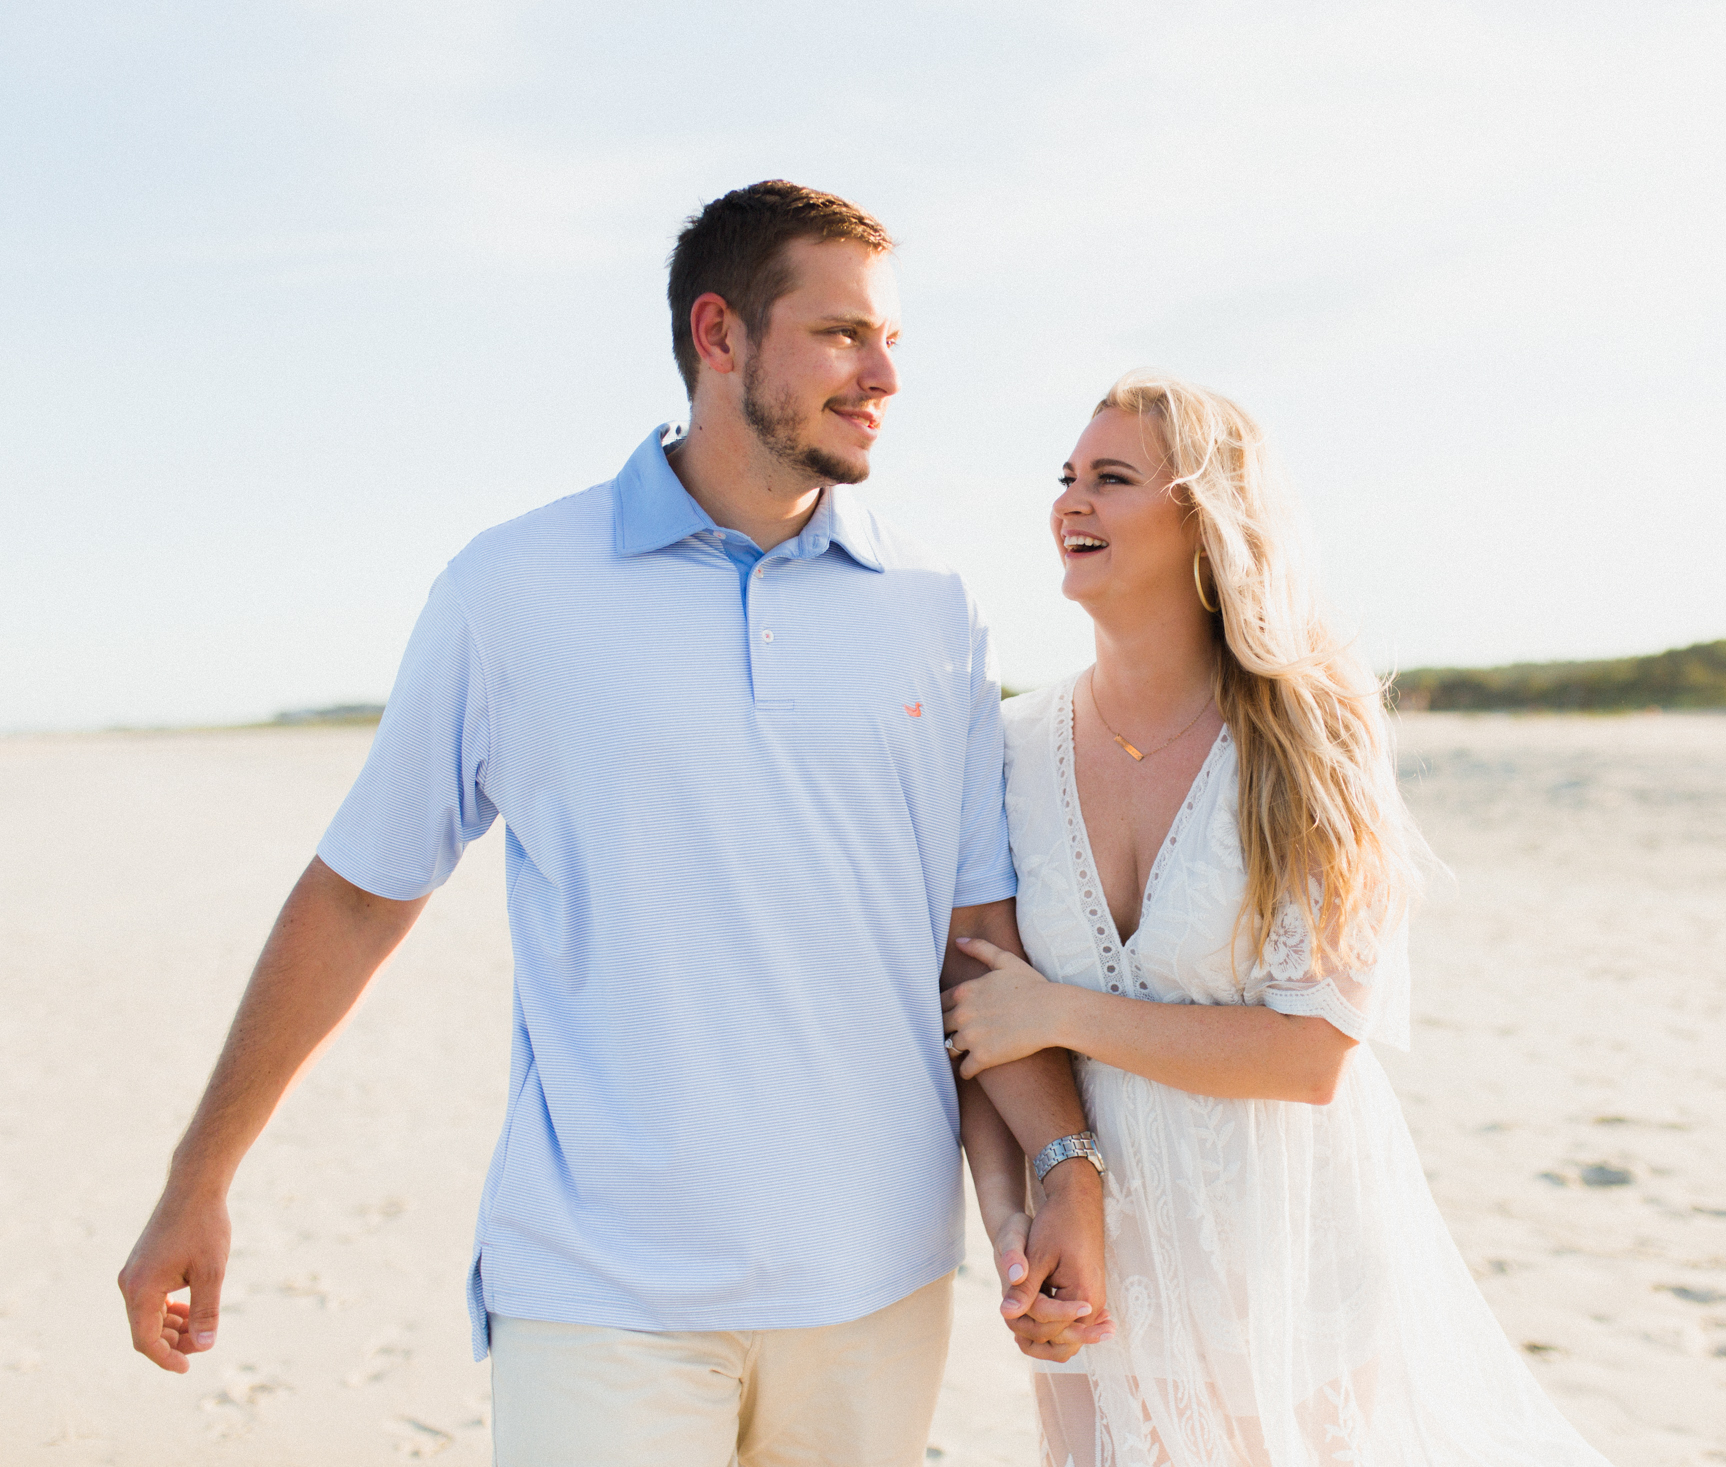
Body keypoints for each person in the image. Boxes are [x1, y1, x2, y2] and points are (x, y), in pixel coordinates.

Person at [117, 180, 1109, 1465]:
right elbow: (362, 892)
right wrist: (199, 1179)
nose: (882, 377)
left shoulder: (933, 605)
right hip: (599, 1289)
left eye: (893, 343)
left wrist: (1060, 1167)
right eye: (842, 335)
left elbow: (976, 943)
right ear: (720, 335)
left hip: (875, 1286)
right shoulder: (513, 590)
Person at [942, 372, 1617, 1464]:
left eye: (1111, 479)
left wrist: (1059, 1011)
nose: (1071, 502)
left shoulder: (1309, 734)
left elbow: (1310, 1053)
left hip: (1291, 1264)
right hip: (1102, 1273)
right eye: (1066, 478)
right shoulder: (1007, 746)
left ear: (1206, 518)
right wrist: (1013, 1226)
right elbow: (980, 1014)